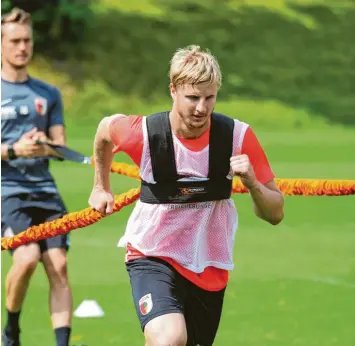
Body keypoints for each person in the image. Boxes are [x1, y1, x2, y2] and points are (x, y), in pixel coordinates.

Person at [89, 45, 284, 346]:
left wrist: (253, 183)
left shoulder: (237, 137)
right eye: (193, 97)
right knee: (169, 339)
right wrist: (101, 186)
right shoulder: (142, 133)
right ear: (173, 90)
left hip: (209, 265)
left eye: (210, 98)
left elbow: (275, 214)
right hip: (152, 254)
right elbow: (104, 130)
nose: (202, 108)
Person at [1, 8, 72, 346]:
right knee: (27, 258)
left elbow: (61, 147)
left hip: (45, 190)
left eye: (27, 40)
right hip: (8, 191)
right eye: (14, 41)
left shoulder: (48, 93)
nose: (22, 47)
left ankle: (62, 344)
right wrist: (14, 151)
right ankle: (11, 329)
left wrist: (44, 145)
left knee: (58, 265)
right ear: (1, 45)